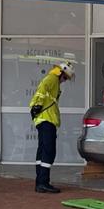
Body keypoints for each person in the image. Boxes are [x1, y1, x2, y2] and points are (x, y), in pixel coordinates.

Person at [29, 61, 75, 194]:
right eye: (65, 77)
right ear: (61, 73)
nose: (65, 80)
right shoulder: (52, 78)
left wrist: (37, 107)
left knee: (42, 150)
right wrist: (37, 105)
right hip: (47, 119)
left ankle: (40, 182)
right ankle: (43, 182)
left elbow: (42, 92)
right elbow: (41, 91)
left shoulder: (53, 79)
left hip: (43, 119)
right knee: (49, 151)